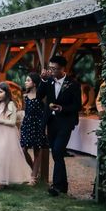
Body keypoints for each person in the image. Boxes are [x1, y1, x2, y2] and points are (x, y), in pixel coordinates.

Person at [38, 55, 82, 196]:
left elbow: (77, 105)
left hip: (65, 123)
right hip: (51, 122)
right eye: (50, 68)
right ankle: (63, 185)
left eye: (55, 69)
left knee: (57, 151)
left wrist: (62, 108)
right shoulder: (48, 81)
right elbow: (39, 96)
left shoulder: (73, 84)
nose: (52, 71)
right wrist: (43, 80)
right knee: (57, 154)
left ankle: (57, 186)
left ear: (63, 69)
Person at [20, 73, 49, 186]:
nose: (25, 82)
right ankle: (34, 170)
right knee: (23, 150)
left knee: (37, 150)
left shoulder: (41, 97)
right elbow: (24, 111)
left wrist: (45, 126)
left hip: (38, 124)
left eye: (28, 80)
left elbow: (45, 111)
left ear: (35, 83)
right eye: (26, 80)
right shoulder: (24, 97)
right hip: (27, 124)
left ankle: (33, 177)